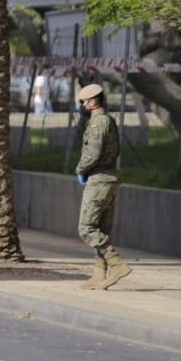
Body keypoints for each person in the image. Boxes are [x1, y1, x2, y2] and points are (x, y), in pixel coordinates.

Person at [75, 83, 132, 290]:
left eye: (83, 102)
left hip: (99, 178)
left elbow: (93, 153)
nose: (82, 105)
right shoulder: (106, 120)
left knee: (86, 227)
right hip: (108, 177)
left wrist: (80, 169)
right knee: (101, 228)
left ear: (91, 102)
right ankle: (99, 273)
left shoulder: (97, 123)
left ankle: (116, 263)